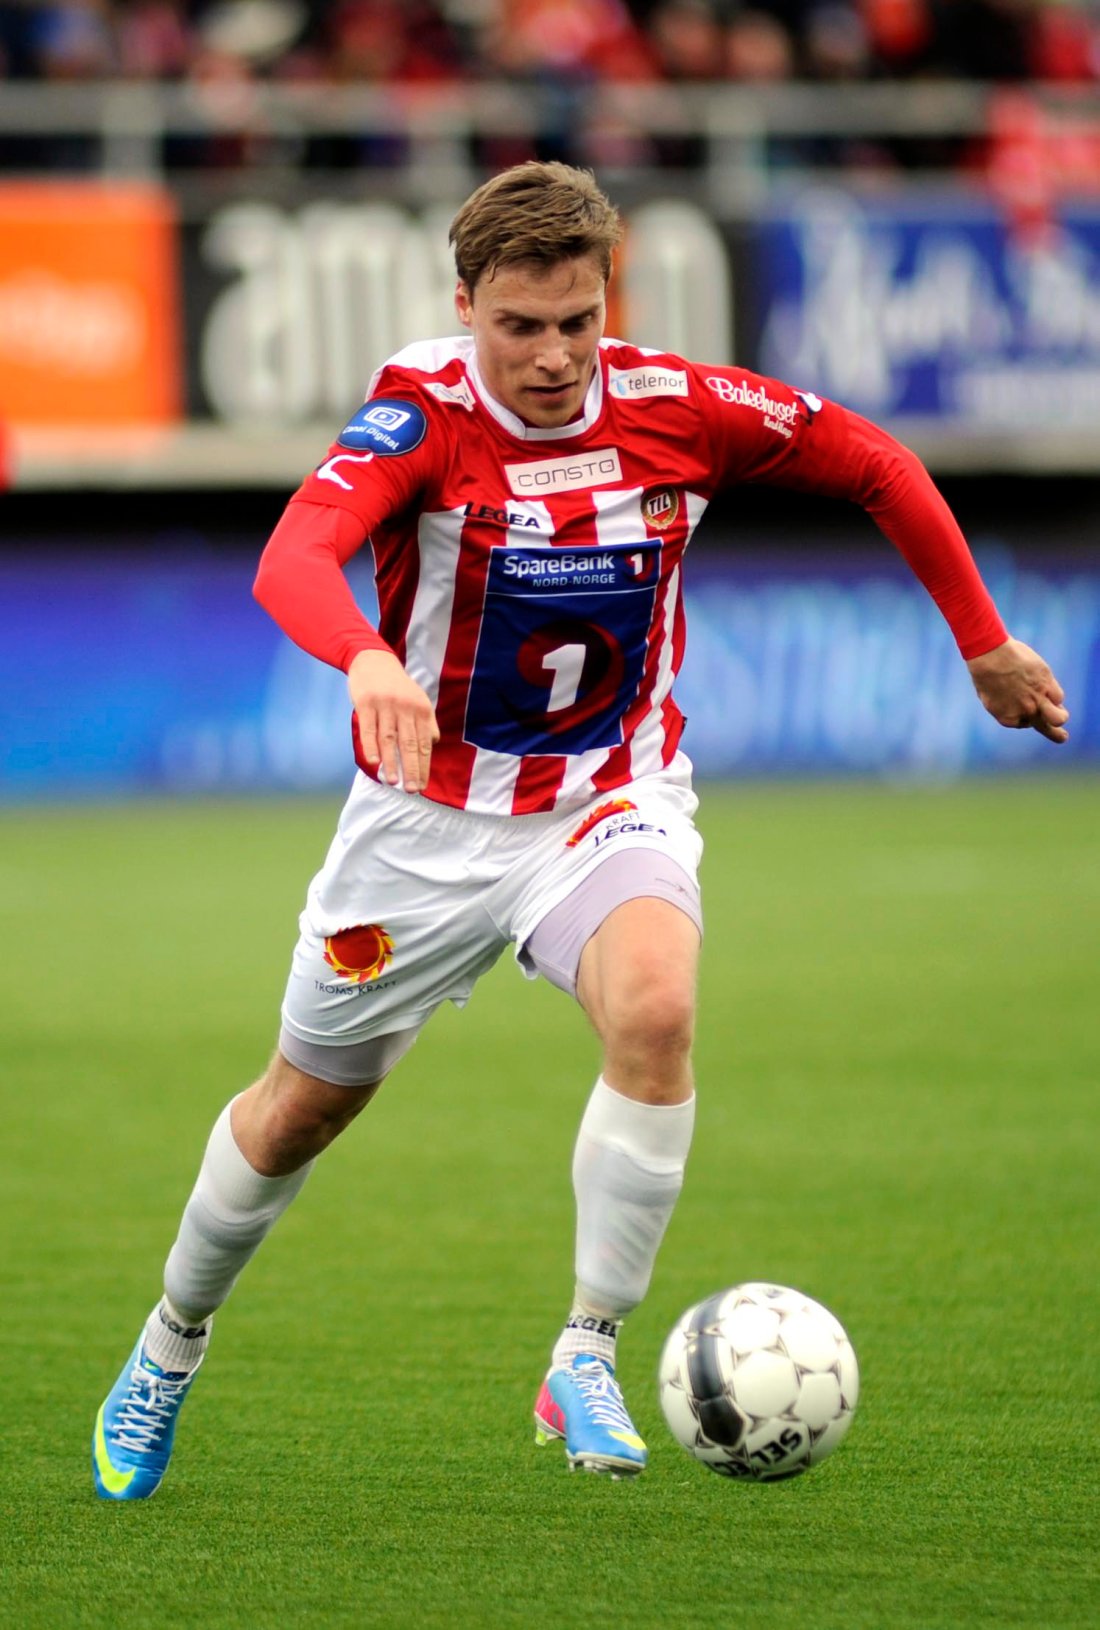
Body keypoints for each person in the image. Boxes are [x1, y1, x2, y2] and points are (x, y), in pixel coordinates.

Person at [91, 161, 1069, 1499]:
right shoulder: (421, 411)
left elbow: (879, 464)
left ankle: (588, 1347)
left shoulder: (685, 408)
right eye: (519, 326)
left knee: (657, 1009)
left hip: (608, 798)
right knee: (298, 1111)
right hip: (423, 829)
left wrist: (985, 641)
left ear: (609, 304)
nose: (552, 357)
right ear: (465, 307)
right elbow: (292, 559)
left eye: (577, 322)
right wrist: (371, 662)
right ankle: (170, 1341)